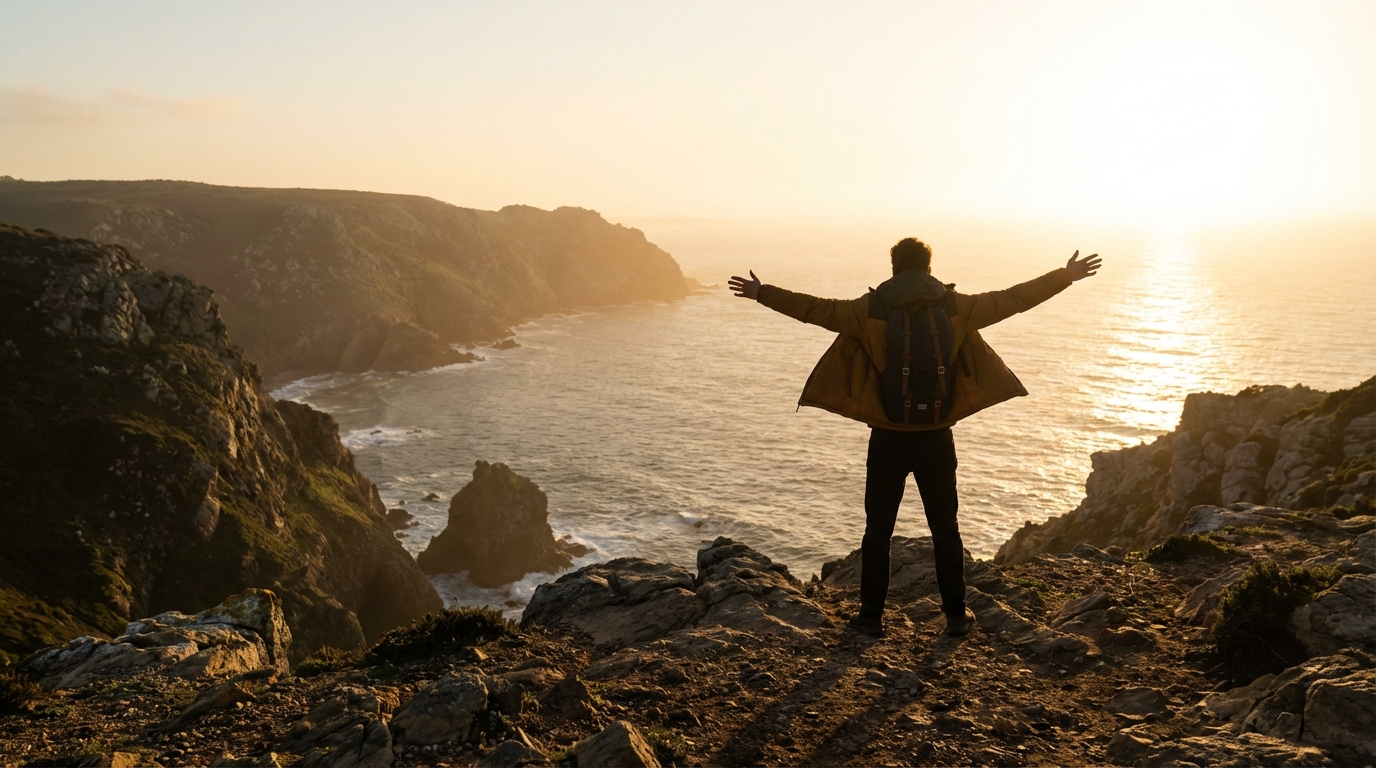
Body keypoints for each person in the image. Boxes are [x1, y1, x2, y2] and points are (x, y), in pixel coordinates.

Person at [729, 239, 1101, 637]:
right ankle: (956, 617)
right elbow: (1014, 299)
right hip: (937, 438)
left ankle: (871, 618)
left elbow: (812, 309)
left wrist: (761, 293)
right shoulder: (958, 307)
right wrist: (1066, 276)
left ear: (894, 268)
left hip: (887, 438)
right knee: (946, 529)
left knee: (878, 530)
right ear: (928, 267)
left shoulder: (866, 309)